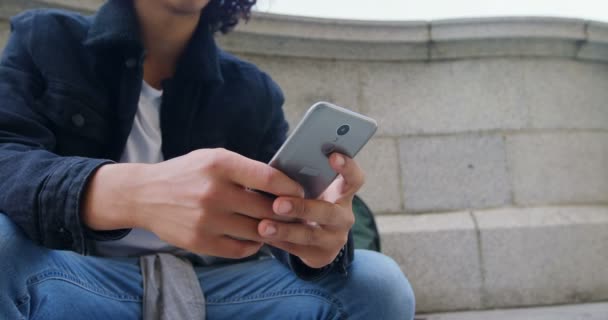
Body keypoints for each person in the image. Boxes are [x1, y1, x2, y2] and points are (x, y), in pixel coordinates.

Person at [0, 0, 415, 318]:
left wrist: (313, 241)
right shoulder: (47, 38)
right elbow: (6, 155)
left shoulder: (253, 91)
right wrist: (132, 195)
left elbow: (280, 226)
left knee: (379, 284)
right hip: (74, 279)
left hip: (221, 289)